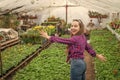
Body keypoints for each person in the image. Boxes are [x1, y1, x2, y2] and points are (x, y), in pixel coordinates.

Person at [39, 19, 106, 80]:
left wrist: (49, 37)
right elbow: (88, 48)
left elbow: (62, 40)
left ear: (80, 28)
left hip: (76, 64)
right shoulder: (82, 37)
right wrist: (97, 55)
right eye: (72, 26)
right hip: (82, 64)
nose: (73, 28)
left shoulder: (75, 38)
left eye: (75, 26)